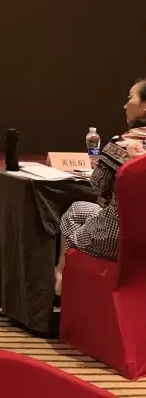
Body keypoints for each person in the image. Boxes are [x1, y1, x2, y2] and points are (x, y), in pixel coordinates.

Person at [58, 79, 146, 280]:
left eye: (130, 98)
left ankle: (63, 279)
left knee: (73, 217)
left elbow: (98, 184)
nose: (125, 105)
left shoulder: (121, 144)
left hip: (119, 236)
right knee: (78, 210)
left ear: (144, 106)